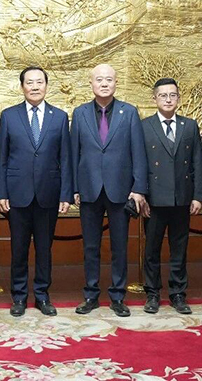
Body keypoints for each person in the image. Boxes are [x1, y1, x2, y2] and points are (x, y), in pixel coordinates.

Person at [71, 64, 148, 317]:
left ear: (116, 83)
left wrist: (138, 188)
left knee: (120, 247)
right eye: (99, 80)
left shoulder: (129, 112)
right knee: (90, 247)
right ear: (91, 83)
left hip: (121, 190)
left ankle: (117, 296)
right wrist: (73, 188)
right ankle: (91, 295)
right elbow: (73, 154)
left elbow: (138, 153)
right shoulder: (80, 113)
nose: (104, 84)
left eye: (109, 80)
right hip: (89, 189)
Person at [0, 66, 72, 317]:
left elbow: (66, 158)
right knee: (18, 249)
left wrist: (65, 194)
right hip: (17, 195)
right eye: (30, 82)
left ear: (46, 86)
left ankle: (42, 295)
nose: (35, 86)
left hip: (48, 194)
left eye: (40, 82)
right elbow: (2, 158)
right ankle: (19, 297)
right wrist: (2, 192)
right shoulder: (9, 116)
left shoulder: (59, 117)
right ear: (22, 87)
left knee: (44, 249)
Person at [140, 78, 202, 315]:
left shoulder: (189, 126)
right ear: (154, 99)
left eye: (172, 95)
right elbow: (139, 163)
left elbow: (197, 161)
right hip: (154, 200)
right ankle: (152, 293)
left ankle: (178, 293)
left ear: (178, 98)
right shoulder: (144, 126)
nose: (168, 100)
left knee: (179, 248)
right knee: (151, 249)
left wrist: (198, 195)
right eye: (163, 95)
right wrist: (141, 195)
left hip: (182, 198)